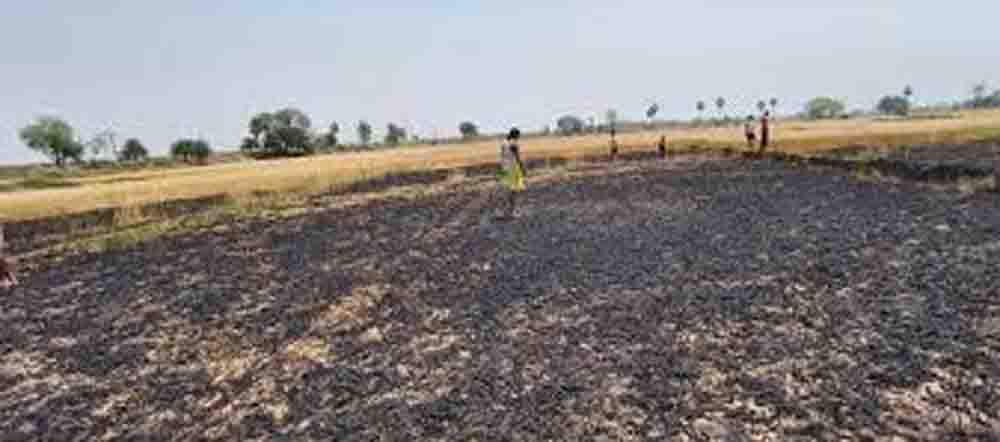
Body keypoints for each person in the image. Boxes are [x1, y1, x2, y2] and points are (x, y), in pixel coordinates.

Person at [497, 127, 526, 220]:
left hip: (503, 168)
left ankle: (501, 212)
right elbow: (517, 158)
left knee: (503, 190)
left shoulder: (503, 143)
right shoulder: (513, 144)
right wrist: (523, 168)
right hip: (512, 169)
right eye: (518, 136)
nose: (518, 138)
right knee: (514, 191)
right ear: (516, 135)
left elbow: (502, 156)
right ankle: (513, 212)